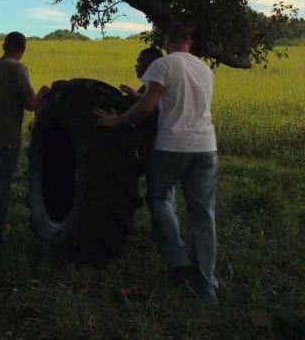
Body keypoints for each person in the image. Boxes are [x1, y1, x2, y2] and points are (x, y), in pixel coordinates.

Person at [93, 23, 219, 304]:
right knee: (203, 215)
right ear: (189, 41)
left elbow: (148, 108)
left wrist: (118, 120)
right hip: (206, 147)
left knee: (160, 197)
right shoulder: (203, 69)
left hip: (172, 146)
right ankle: (207, 288)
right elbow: (175, 102)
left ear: (167, 41)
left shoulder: (163, 65)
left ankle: (177, 260)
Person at [0, 32, 50, 255]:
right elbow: (31, 103)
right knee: (1, 191)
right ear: (22, 50)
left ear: (4, 46)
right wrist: (43, 92)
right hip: (4, 140)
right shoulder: (17, 68)